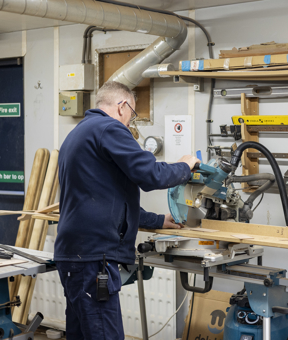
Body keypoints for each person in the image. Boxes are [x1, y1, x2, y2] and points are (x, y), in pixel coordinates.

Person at [54, 81, 200, 340]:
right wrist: (185, 166)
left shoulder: (80, 132)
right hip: (93, 259)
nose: (131, 123)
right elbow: (151, 175)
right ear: (122, 107)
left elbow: (106, 198)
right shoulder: (109, 128)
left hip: (74, 256)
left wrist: (156, 220)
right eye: (132, 115)